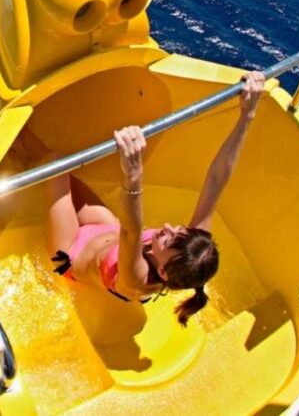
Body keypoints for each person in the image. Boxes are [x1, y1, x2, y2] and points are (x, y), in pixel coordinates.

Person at [47, 71, 265, 325]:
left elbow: (132, 231)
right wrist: (247, 114)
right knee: (65, 170)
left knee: (54, 162)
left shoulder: (136, 280)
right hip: (106, 229)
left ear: (162, 271)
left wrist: (134, 172)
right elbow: (216, 181)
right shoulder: (192, 252)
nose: (168, 228)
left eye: (169, 239)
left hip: (70, 253)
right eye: (178, 230)